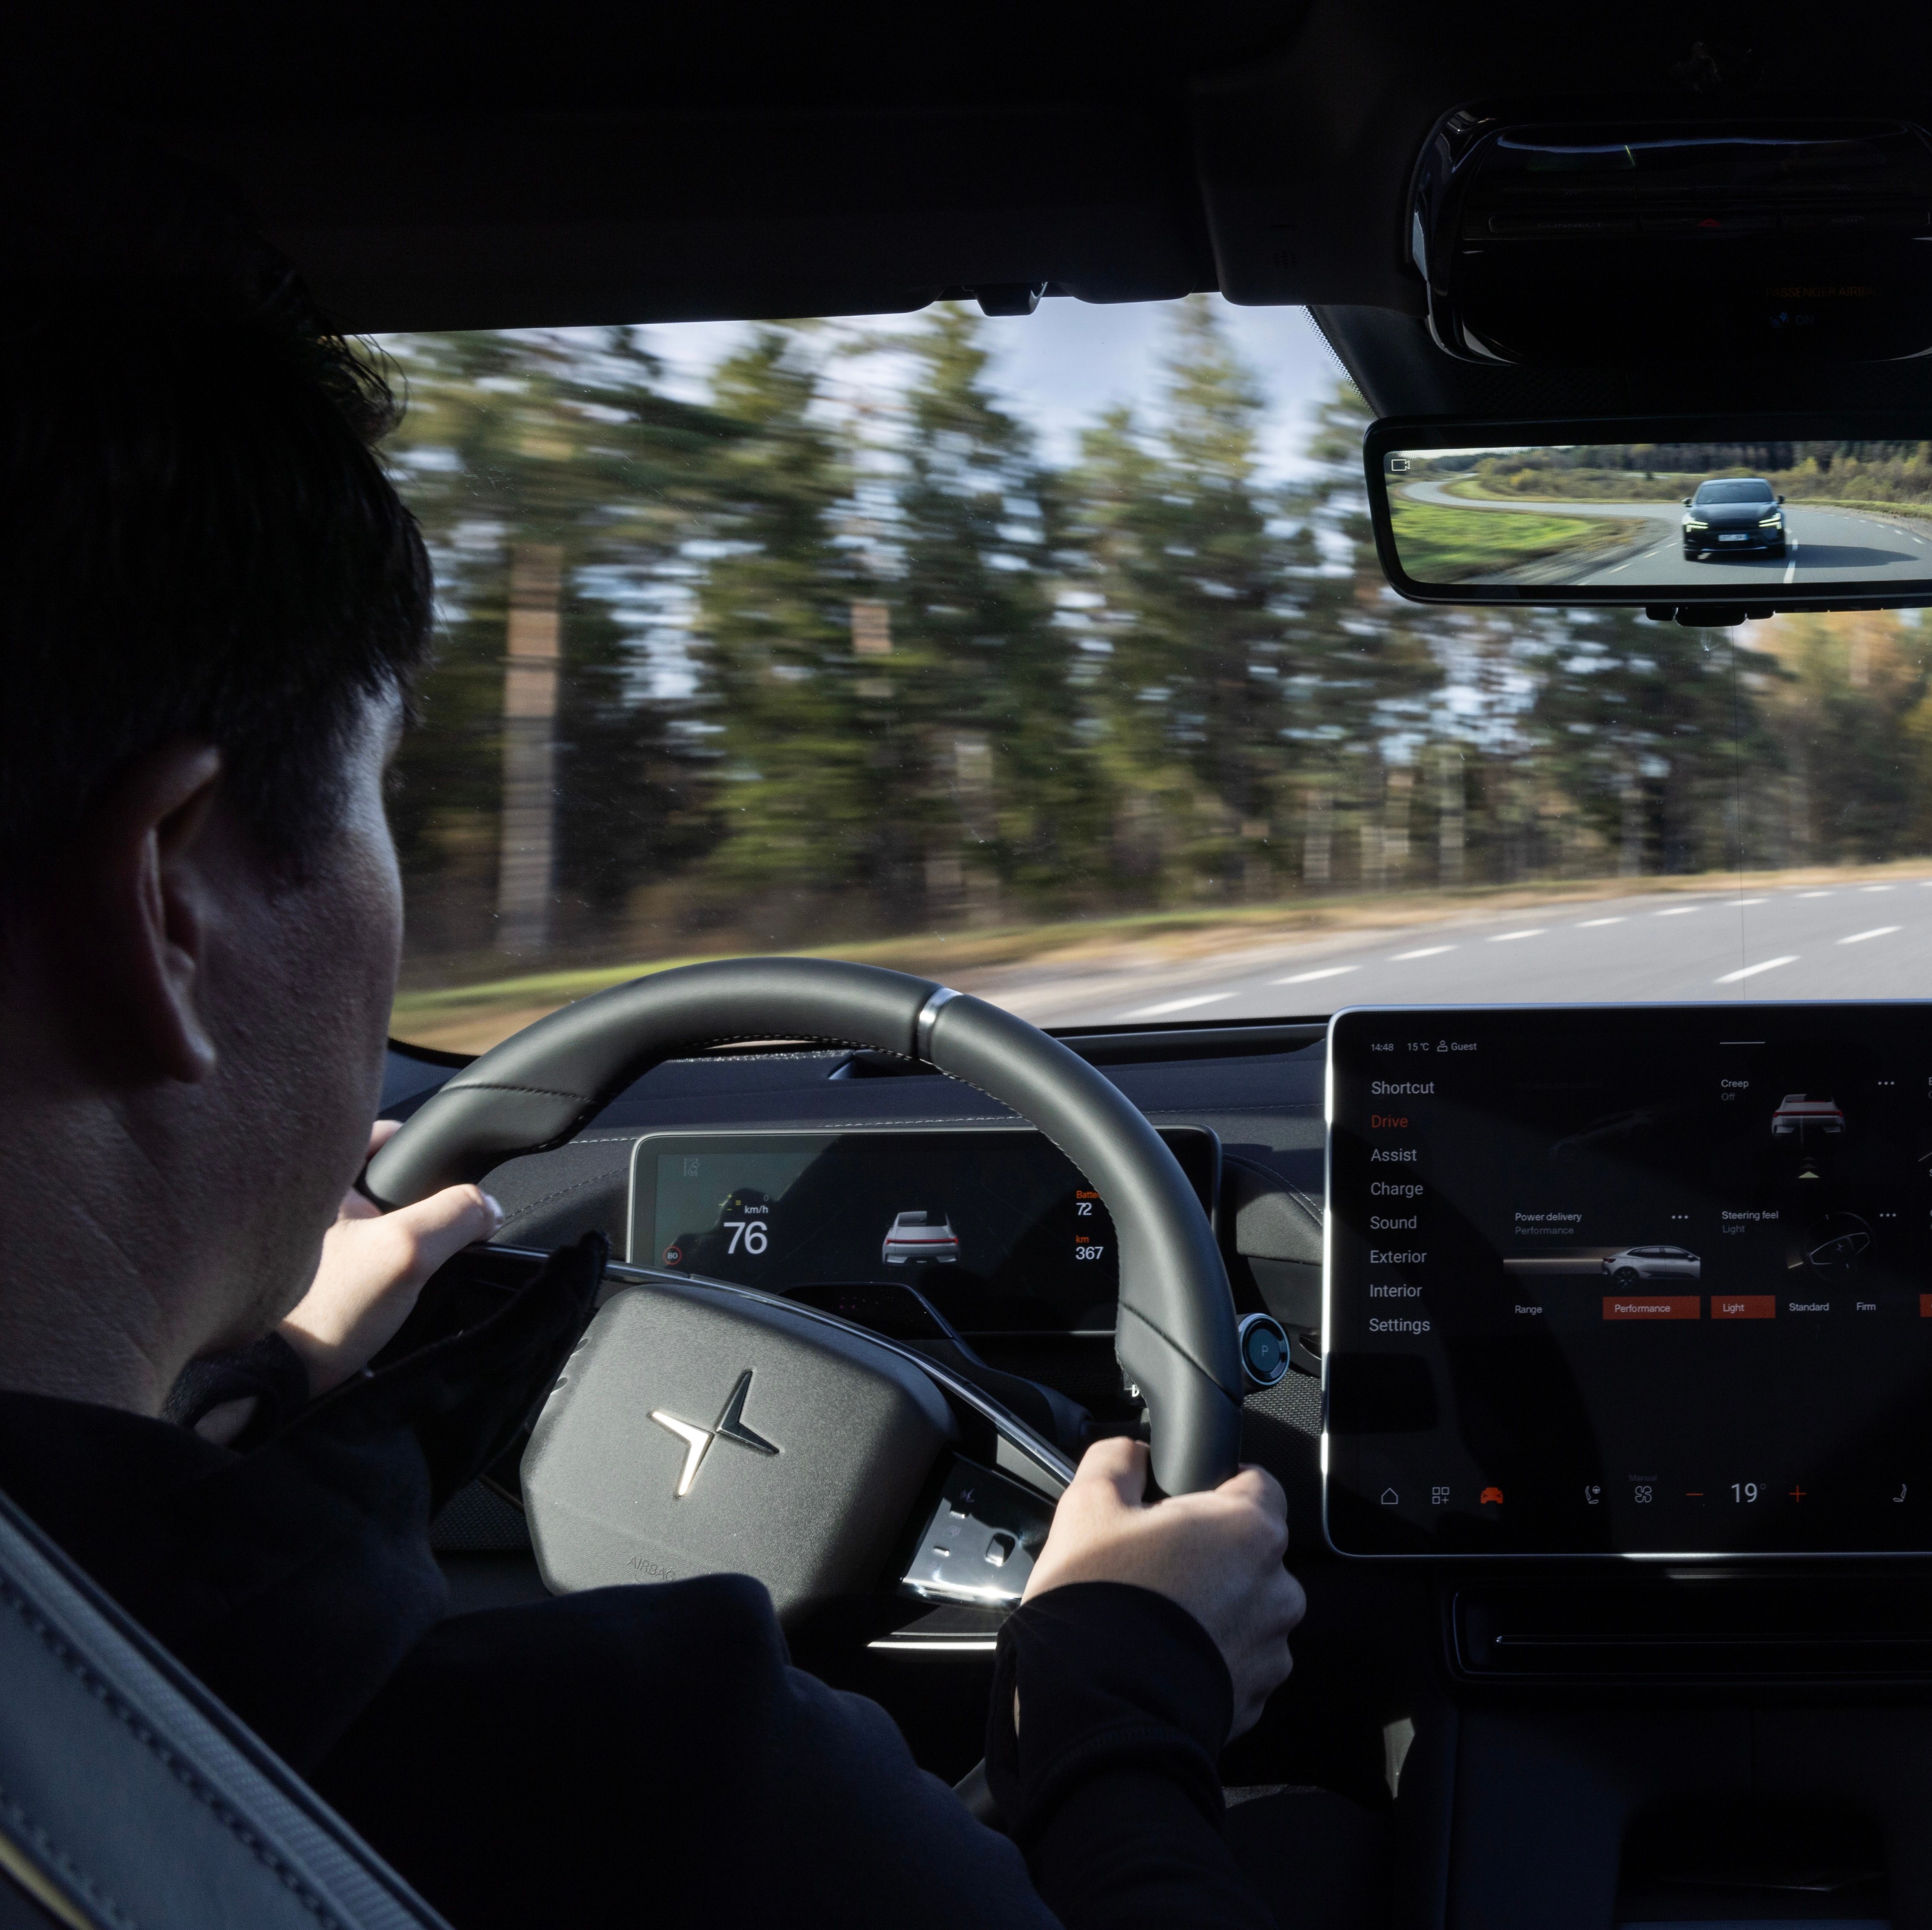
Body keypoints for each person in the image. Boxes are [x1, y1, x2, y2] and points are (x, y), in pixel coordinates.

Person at [0, 161, 1305, 1928]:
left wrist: (262, 1376)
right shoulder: (659, 1801)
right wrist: (1112, 1688)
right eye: (386, 798)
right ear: (171, 906)